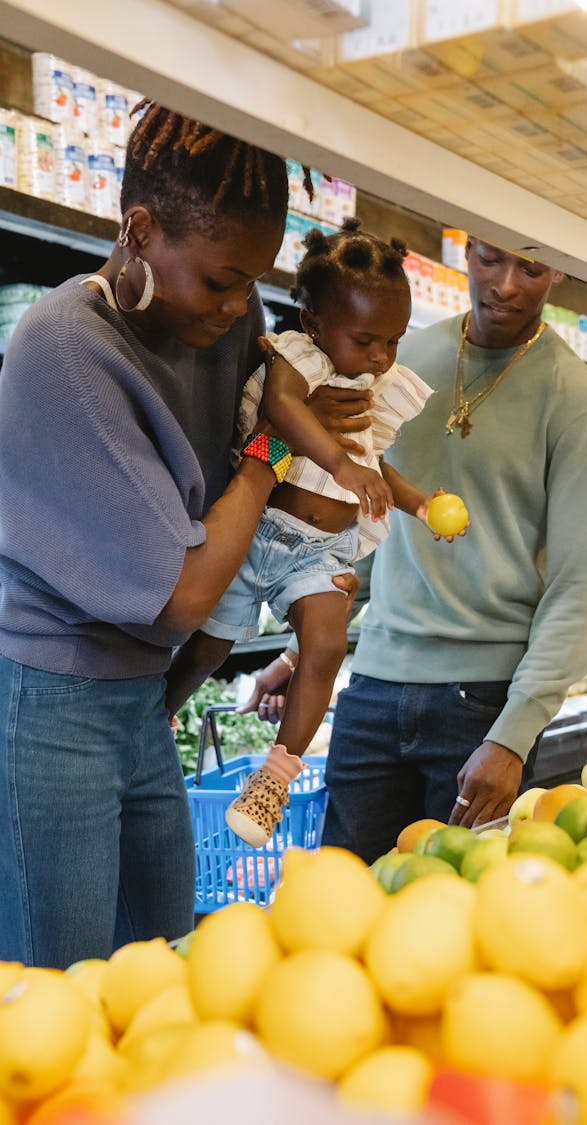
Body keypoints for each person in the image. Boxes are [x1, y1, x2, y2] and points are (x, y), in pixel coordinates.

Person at [0, 102, 359, 968]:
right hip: (51, 705)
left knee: (162, 964)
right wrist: (280, 441)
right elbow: (183, 593)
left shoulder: (224, 321)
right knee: (64, 984)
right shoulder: (66, 349)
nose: (241, 307)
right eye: (222, 279)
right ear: (140, 227)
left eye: (254, 283)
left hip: (140, 699)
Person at [248, 238, 587, 863]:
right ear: (466, 248)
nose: (504, 284)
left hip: (481, 705)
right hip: (371, 686)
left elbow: (579, 587)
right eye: (490, 259)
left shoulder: (576, 402)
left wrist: (514, 736)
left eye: (530, 267)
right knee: (346, 903)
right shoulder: (400, 357)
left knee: (453, 919)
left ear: (559, 267)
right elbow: (355, 512)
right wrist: (299, 649)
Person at [164, 220, 439, 847]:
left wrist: (419, 503)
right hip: (256, 530)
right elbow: (283, 411)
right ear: (314, 321)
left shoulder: (377, 389)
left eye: (393, 341)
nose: (380, 358)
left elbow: (372, 458)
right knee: (208, 648)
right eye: (367, 339)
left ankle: (273, 781)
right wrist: (340, 464)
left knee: (325, 649)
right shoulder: (298, 357)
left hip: (322, 552)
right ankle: (155, 717)